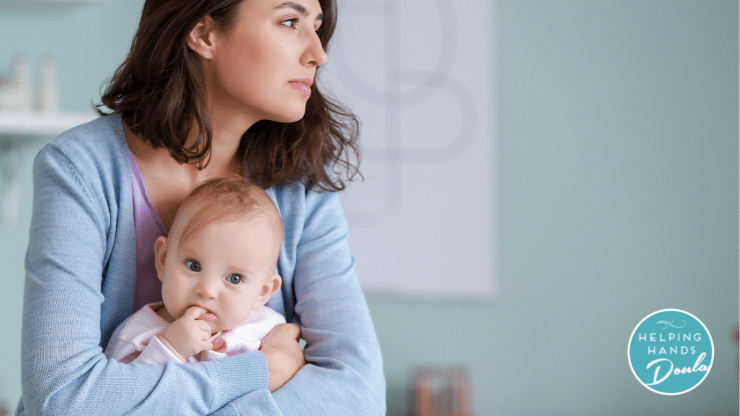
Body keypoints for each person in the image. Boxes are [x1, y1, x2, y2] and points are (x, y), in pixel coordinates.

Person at [18, 0, 386, 414]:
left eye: (317, 27)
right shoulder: (81, 169)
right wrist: (260, 372)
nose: (318, 53)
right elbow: (62, 398)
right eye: (289, 22)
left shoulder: (303, 186)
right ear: (204, 33)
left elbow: (359, 392)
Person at [105, 177, 287, 365]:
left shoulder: (267, 328)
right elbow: (115, 391)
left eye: (234, 278)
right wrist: (170, 348)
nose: (207, 290)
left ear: (263, 293)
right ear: (163, 260)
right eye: (194, 266)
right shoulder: (136, 336)